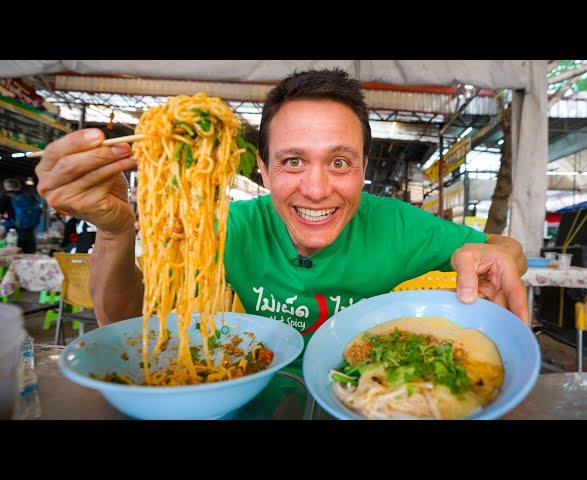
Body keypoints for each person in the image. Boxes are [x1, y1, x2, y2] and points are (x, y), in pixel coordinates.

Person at [35, 68, 528, 338]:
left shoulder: (400, 225)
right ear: (263, 170)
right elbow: (120, 326)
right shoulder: (225, 229)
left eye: (339, 162)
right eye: (293, 162)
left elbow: (504, 249)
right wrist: (117, 231)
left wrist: (501, 253)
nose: (316, 190)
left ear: (363, 171)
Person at [0, 178, 42, 253]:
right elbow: (39, 211)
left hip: (12, 232)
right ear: (18, 186)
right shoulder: (29, 196)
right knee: (29, 255)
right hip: (30, 232)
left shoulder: (6, 196)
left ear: (6, 186)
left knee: (12, 256)